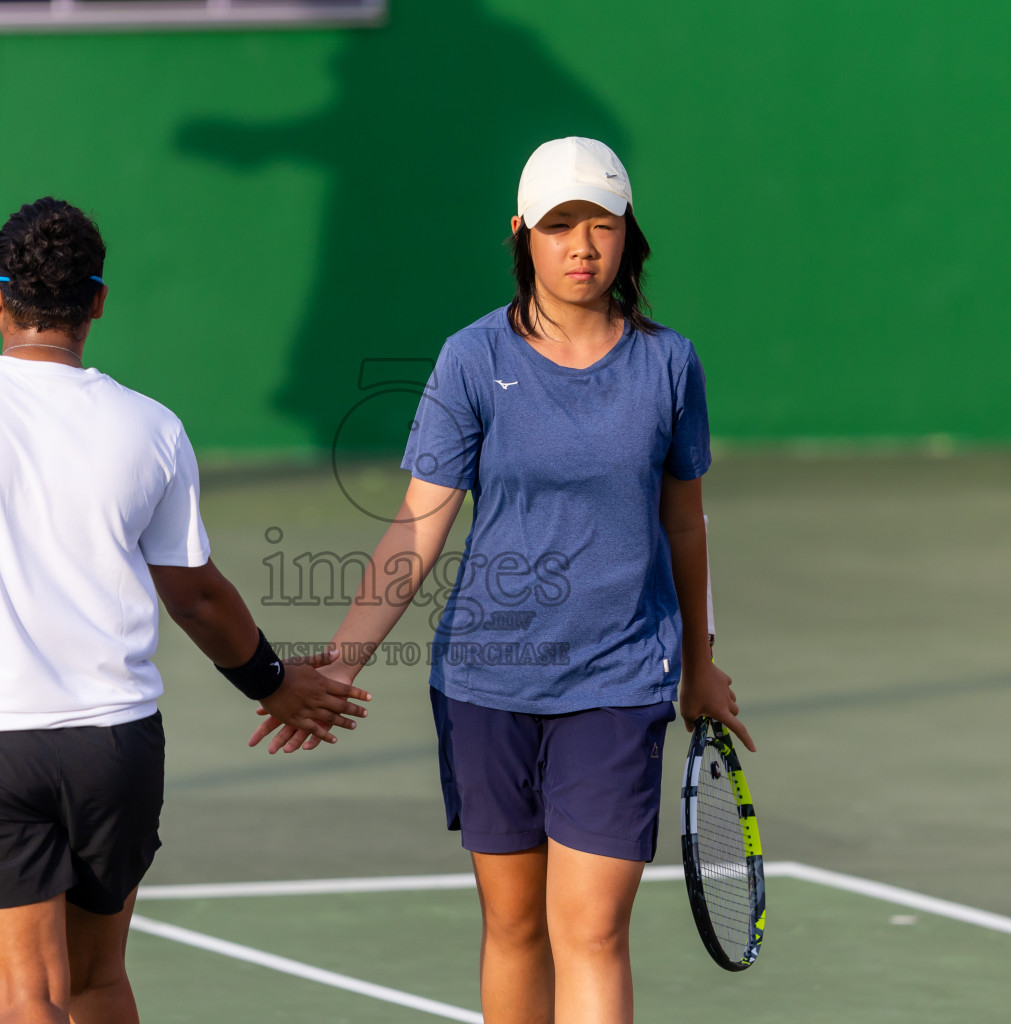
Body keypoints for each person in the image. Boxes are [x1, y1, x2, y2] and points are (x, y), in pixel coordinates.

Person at [0, 197, 369, 1024]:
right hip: (115, 754)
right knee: (94, 986)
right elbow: (198, 596)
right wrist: (273, 683)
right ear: (97, 300)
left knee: (29, 1001)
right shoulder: (154, 428)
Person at [253, 138, 754, 1023]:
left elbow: (685, 520)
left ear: (627, 234)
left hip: (619, 680)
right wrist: (339, 662)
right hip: (488, 685)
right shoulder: (469, 359)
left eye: (600, 224)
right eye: (561, 225)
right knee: (515, 926)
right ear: (522, 234)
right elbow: (418, 523)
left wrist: (699, 663)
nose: (582, 246)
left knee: (592, 932)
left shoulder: (669, 365)